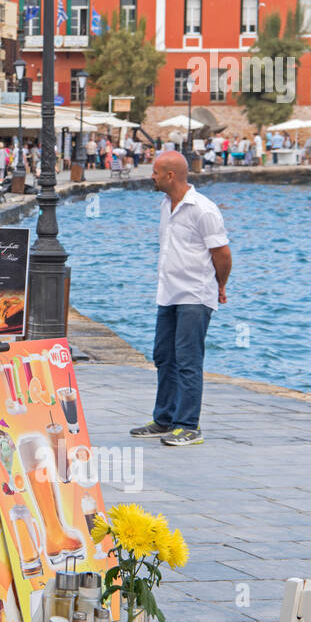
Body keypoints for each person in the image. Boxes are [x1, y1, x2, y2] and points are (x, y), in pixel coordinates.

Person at [129, 152, 231, 448]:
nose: (152, 176)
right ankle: (165, 418)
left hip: (195, 295)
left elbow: (222, 254)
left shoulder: (204, 209)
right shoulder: (165, 205)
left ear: (170, 175)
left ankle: (189, 425)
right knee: (164, 356)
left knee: (188, 360)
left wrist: (220, 286)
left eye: (156, 172)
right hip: (169, 293)